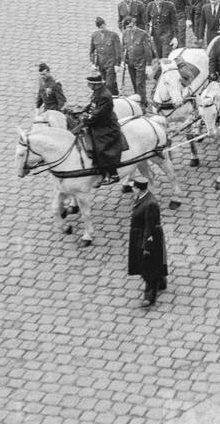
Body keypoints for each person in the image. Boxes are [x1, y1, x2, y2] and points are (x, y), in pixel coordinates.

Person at [127, 174, 168, 307]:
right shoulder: (141, 197)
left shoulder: (150, 204)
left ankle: (149, 297)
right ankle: (161, 280)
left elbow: (150, 227)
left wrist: (146, 245)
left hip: (147, 236)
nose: (133, 189)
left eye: (134, 188)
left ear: (139, 189)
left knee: (148, 266)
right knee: (154, 263)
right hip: (139, 234)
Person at [81, 67, 125, 184]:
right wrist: (84, 111)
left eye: (90, 83)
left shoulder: (105, 95)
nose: (88, 85)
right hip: (99, 121)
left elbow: (99, 114)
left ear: (96, 84)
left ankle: (112, 173)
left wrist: (87, 119)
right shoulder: (97, 92)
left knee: (100, 145)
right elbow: (92, 105)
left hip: (106, 125)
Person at [122, 17, 155, 109]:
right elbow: (124, 47)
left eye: (131, 26)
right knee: (134, 82)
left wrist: (148, 64)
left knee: (140, 83)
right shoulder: (125, 33)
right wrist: (123, 61)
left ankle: (143, 103)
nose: (130, 28)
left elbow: (147, 50)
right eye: (128, 27)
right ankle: (138, 98)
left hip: (141, 61)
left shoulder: (142, 34)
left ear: (135, 25)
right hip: (130, 62)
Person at [89, 17, 122, 93]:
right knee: (105, 81)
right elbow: (92, 51)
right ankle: (115, 95)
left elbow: (118, 51)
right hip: (101, 64)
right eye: (99, 28)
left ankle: (109, 99)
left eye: (102, 27)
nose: (101, 29)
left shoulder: (113, 35)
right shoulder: (94, 35)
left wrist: (117, 64)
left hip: (111, 63)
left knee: (109, 84)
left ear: (105, 25)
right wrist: (92, 63)